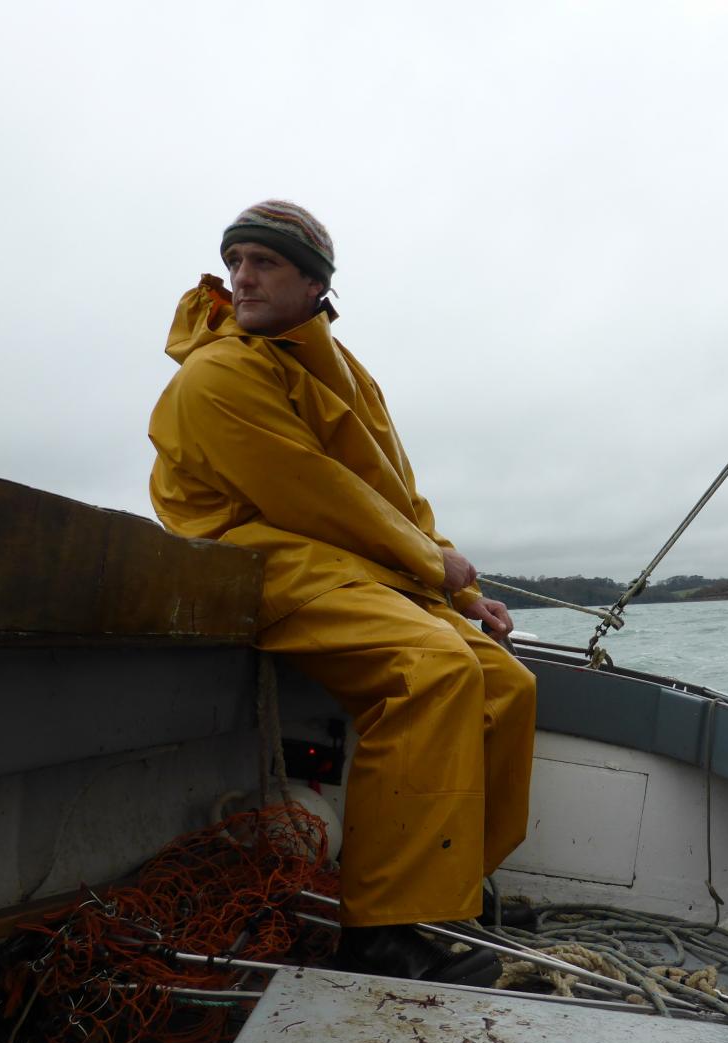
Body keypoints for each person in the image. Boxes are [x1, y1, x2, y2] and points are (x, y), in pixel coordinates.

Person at [147, 200, 536, 984]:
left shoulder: (345, 371)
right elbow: (308, 493)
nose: (242, 278)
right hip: (256, 560)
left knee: (506, 684)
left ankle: (448, 893)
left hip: (349, 563)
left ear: (315, 283)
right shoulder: (218, 372)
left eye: (265, 262)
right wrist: (432, 567)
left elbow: (388, 490)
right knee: (431, 670)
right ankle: (382, 932)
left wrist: (463, 591)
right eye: (236, 261)